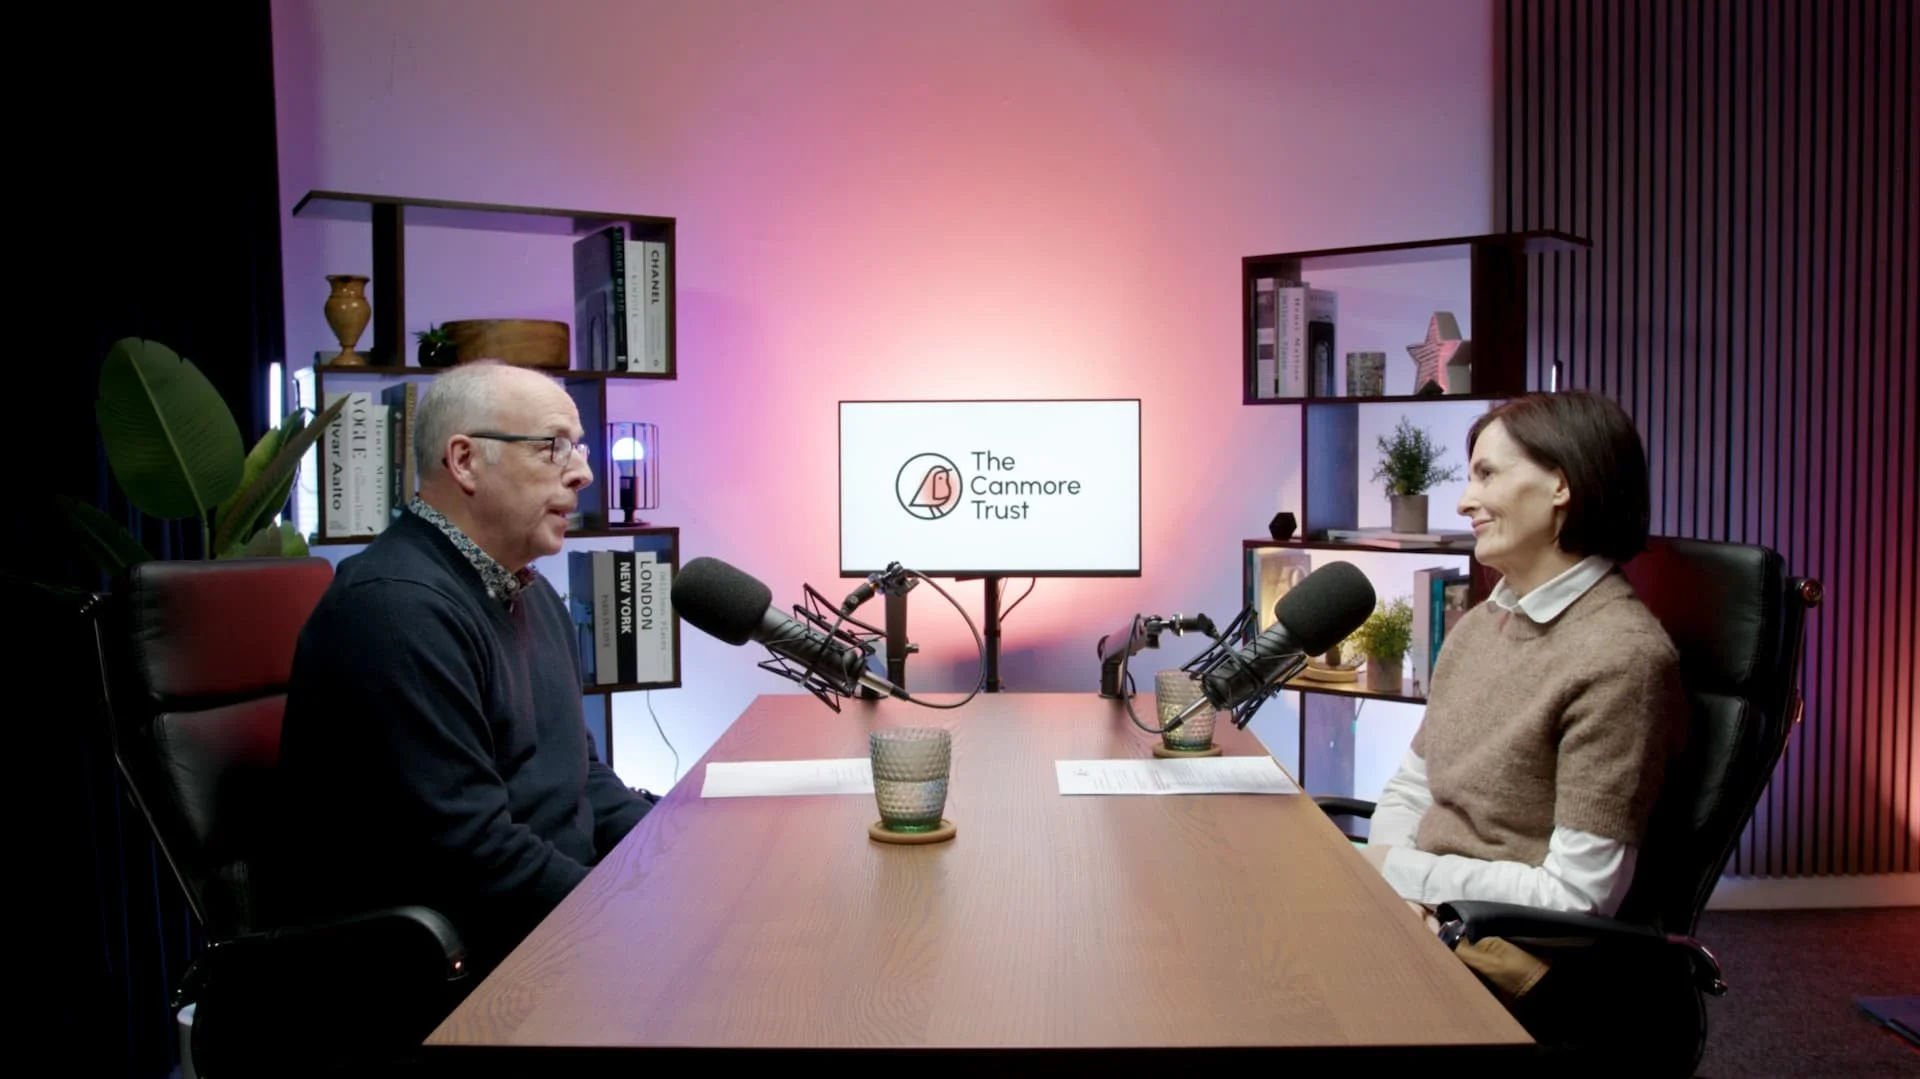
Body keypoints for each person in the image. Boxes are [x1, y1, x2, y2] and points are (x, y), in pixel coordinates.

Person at [268, 360, 656, 978]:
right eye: (554, 447)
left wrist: (674, 852)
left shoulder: (530, 593)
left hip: (545, 932)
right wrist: (634, 917)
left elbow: (579, 778)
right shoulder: (394, 609)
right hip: (450, 974)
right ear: (465, 460)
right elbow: (473, 858)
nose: (583, 472)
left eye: (577, 449)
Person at [1360, 389, 1687, 998]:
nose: (1464, 501)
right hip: (1427, 917)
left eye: (1486, 474)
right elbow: (1411, 786)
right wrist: (1395, 894)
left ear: (1560, 485)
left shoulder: (1622, 657)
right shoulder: (1482, 626)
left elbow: (1576, 897)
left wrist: (1405, 876)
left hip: (1509, 960)